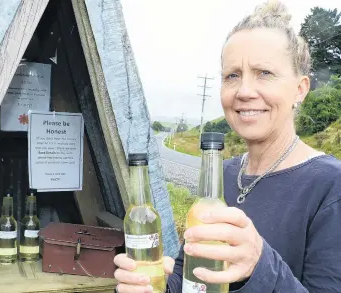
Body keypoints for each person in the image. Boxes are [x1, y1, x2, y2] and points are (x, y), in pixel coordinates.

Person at [113, 0, 341, 292]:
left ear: (300, 88)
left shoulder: (330, 186)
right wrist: (157, 286)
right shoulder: (220, 176)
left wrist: (259, 264)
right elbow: (193, 280)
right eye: (232, 75)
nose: (244, 91)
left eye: (264, 73)